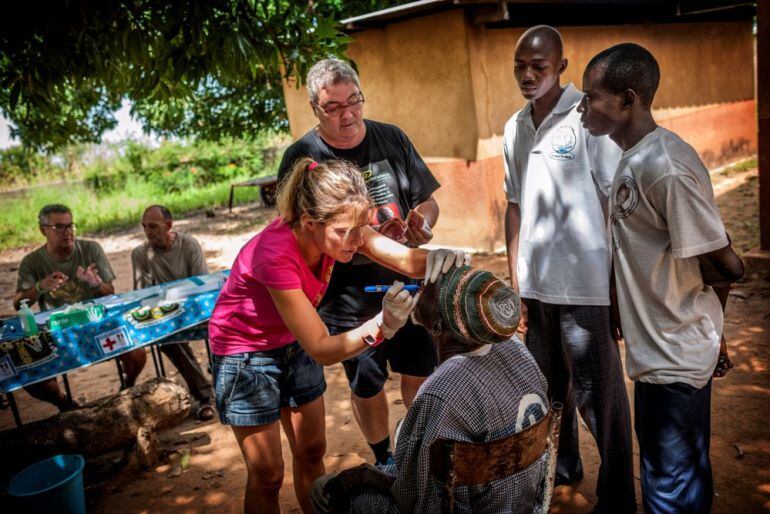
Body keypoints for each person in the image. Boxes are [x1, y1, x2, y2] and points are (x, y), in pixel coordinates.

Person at [209, 157, 468, 514]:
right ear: (309, 223)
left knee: (311, 451)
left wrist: (445, 259)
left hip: (293, 340)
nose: (357, 240)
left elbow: (406, 261)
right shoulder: (274, 255)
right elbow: (321, 349)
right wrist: (382, 326)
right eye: (347, 232)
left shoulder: (345, 225)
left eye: (361, 228)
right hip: (245, 354)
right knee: (268, 474)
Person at [578, 43, 744, 514]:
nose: (582, 107)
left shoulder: (665, 167)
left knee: (669, 493)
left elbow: (726, 265)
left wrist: (710, 331)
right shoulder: (635, 158)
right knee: (679, 481)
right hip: (661, 353)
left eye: (591, 97)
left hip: (674, 357)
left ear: (628, 99)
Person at [277, 57, 441, 468]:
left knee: (421, 371)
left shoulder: (391, 138)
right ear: (315, 108)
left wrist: (423, 223)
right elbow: (294, 233)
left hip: (405, 283)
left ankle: (422, 451)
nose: (347, 114)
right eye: (333, 107)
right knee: (367, 383)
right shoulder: (302, 156)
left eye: (354, 101)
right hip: (345, 297)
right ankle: (385, 457)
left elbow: (426, 200)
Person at [502, 25, 636, 513]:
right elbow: (514, 205)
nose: (528, 75)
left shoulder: (588, 117)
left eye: (538, 66)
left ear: (561, 66)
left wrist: (615, 287)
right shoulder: (515, 127)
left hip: (585, 287)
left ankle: (618, 495)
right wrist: (516, 282)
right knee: (545, 390)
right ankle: (562, 470)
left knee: (600, 398)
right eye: (520, 66)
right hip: (536, 287)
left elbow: (614, 203)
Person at [310, 265, 551, 513]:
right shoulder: (515, 348)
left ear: (436, 327)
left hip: (469, 506)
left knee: (323, 490)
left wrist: (370, 476)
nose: (419, 286)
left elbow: (417, 497)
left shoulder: (441, 392)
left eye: (427, 288)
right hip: (525, 499)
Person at [13, 204, 146, 410]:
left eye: (70, 225)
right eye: (59, 227)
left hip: (97, 325)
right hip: (57, 332)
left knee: (137, 354)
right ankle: (65, 405)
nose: (67, 232)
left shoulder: (91, 249)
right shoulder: (32, 262)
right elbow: (18, 303)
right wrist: (40, 286)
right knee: (30, 376)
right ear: (43, 230)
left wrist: (95, 283)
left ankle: (127, 387)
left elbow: (109, 293)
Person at [131, 204, 215, 421]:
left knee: (224, 318)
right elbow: (143, 296)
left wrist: (169, 298)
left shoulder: (188, 244)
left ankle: (224, 375)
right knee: (165, 337)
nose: (148, 231)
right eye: (144, 226)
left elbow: (202, 286)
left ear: (168, 225)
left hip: (196, 310)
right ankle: (204, 395)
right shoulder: (141, 254)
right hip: (168, 317)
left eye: (153, 226)